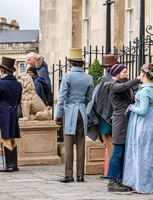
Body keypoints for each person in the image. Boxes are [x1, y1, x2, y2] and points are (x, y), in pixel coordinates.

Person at [123, 63, 153, 193]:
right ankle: (152, 182)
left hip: (144, 122)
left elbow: (142, 110)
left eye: (140, 73)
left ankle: (142, 184)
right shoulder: (152, 87)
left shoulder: (145, 91)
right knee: (151, 152)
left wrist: (131, 107)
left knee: (142, 152)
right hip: (152, 119)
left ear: (143, 74)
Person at [55, 48, 93, 183]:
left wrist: (58, 115)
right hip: (82, 111)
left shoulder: (67, 76)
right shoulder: (89, 77)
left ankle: (69, 174)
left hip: (70, 111)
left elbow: (62, 97)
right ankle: (81, 175)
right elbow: (89, 97)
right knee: (81, 144)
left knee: (69, 143)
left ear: (71, 63)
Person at [104, 64, 140, 192]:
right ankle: (112, 181)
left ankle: (119, 179)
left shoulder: (122, 86)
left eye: (126, 72)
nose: (126, 74)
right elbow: (124, 86)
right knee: (117, 151)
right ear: (117, 74)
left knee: (123, 152)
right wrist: (138, 78)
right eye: (124, 72)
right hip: (120, 122)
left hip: (126, 121)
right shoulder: (112, 85)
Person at [86, 54, 116, 178]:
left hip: (105, 117)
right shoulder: (117, 79)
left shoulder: (104, 80)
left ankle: (111, 172)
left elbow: (97, 100)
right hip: (116, 116)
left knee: (109, 144)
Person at [0, 56, 22, 172]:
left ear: (3, 71)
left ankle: (9, 165)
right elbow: (19, 100)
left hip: (3, 112)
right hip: (14, 111)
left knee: (5, 138)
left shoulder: (0, 83)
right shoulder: (18, 84)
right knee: (12, 138)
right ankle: (14, 164)